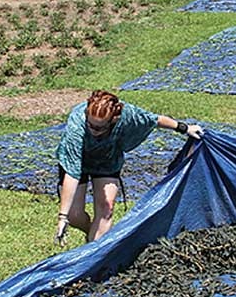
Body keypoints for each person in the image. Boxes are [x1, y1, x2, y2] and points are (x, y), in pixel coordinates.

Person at [54, 90, 203, 245]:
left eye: (98, 128)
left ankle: (93, 249)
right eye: (90, 125)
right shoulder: (77, 123)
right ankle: (91, 232)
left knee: (107, 207)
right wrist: (63, 217)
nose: (92, 130)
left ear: (113, 120)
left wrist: (184, 128)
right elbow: (72, 173)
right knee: (74, 215)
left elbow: (154, 119)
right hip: (78, 159)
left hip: (107, 159)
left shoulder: (127, 115)